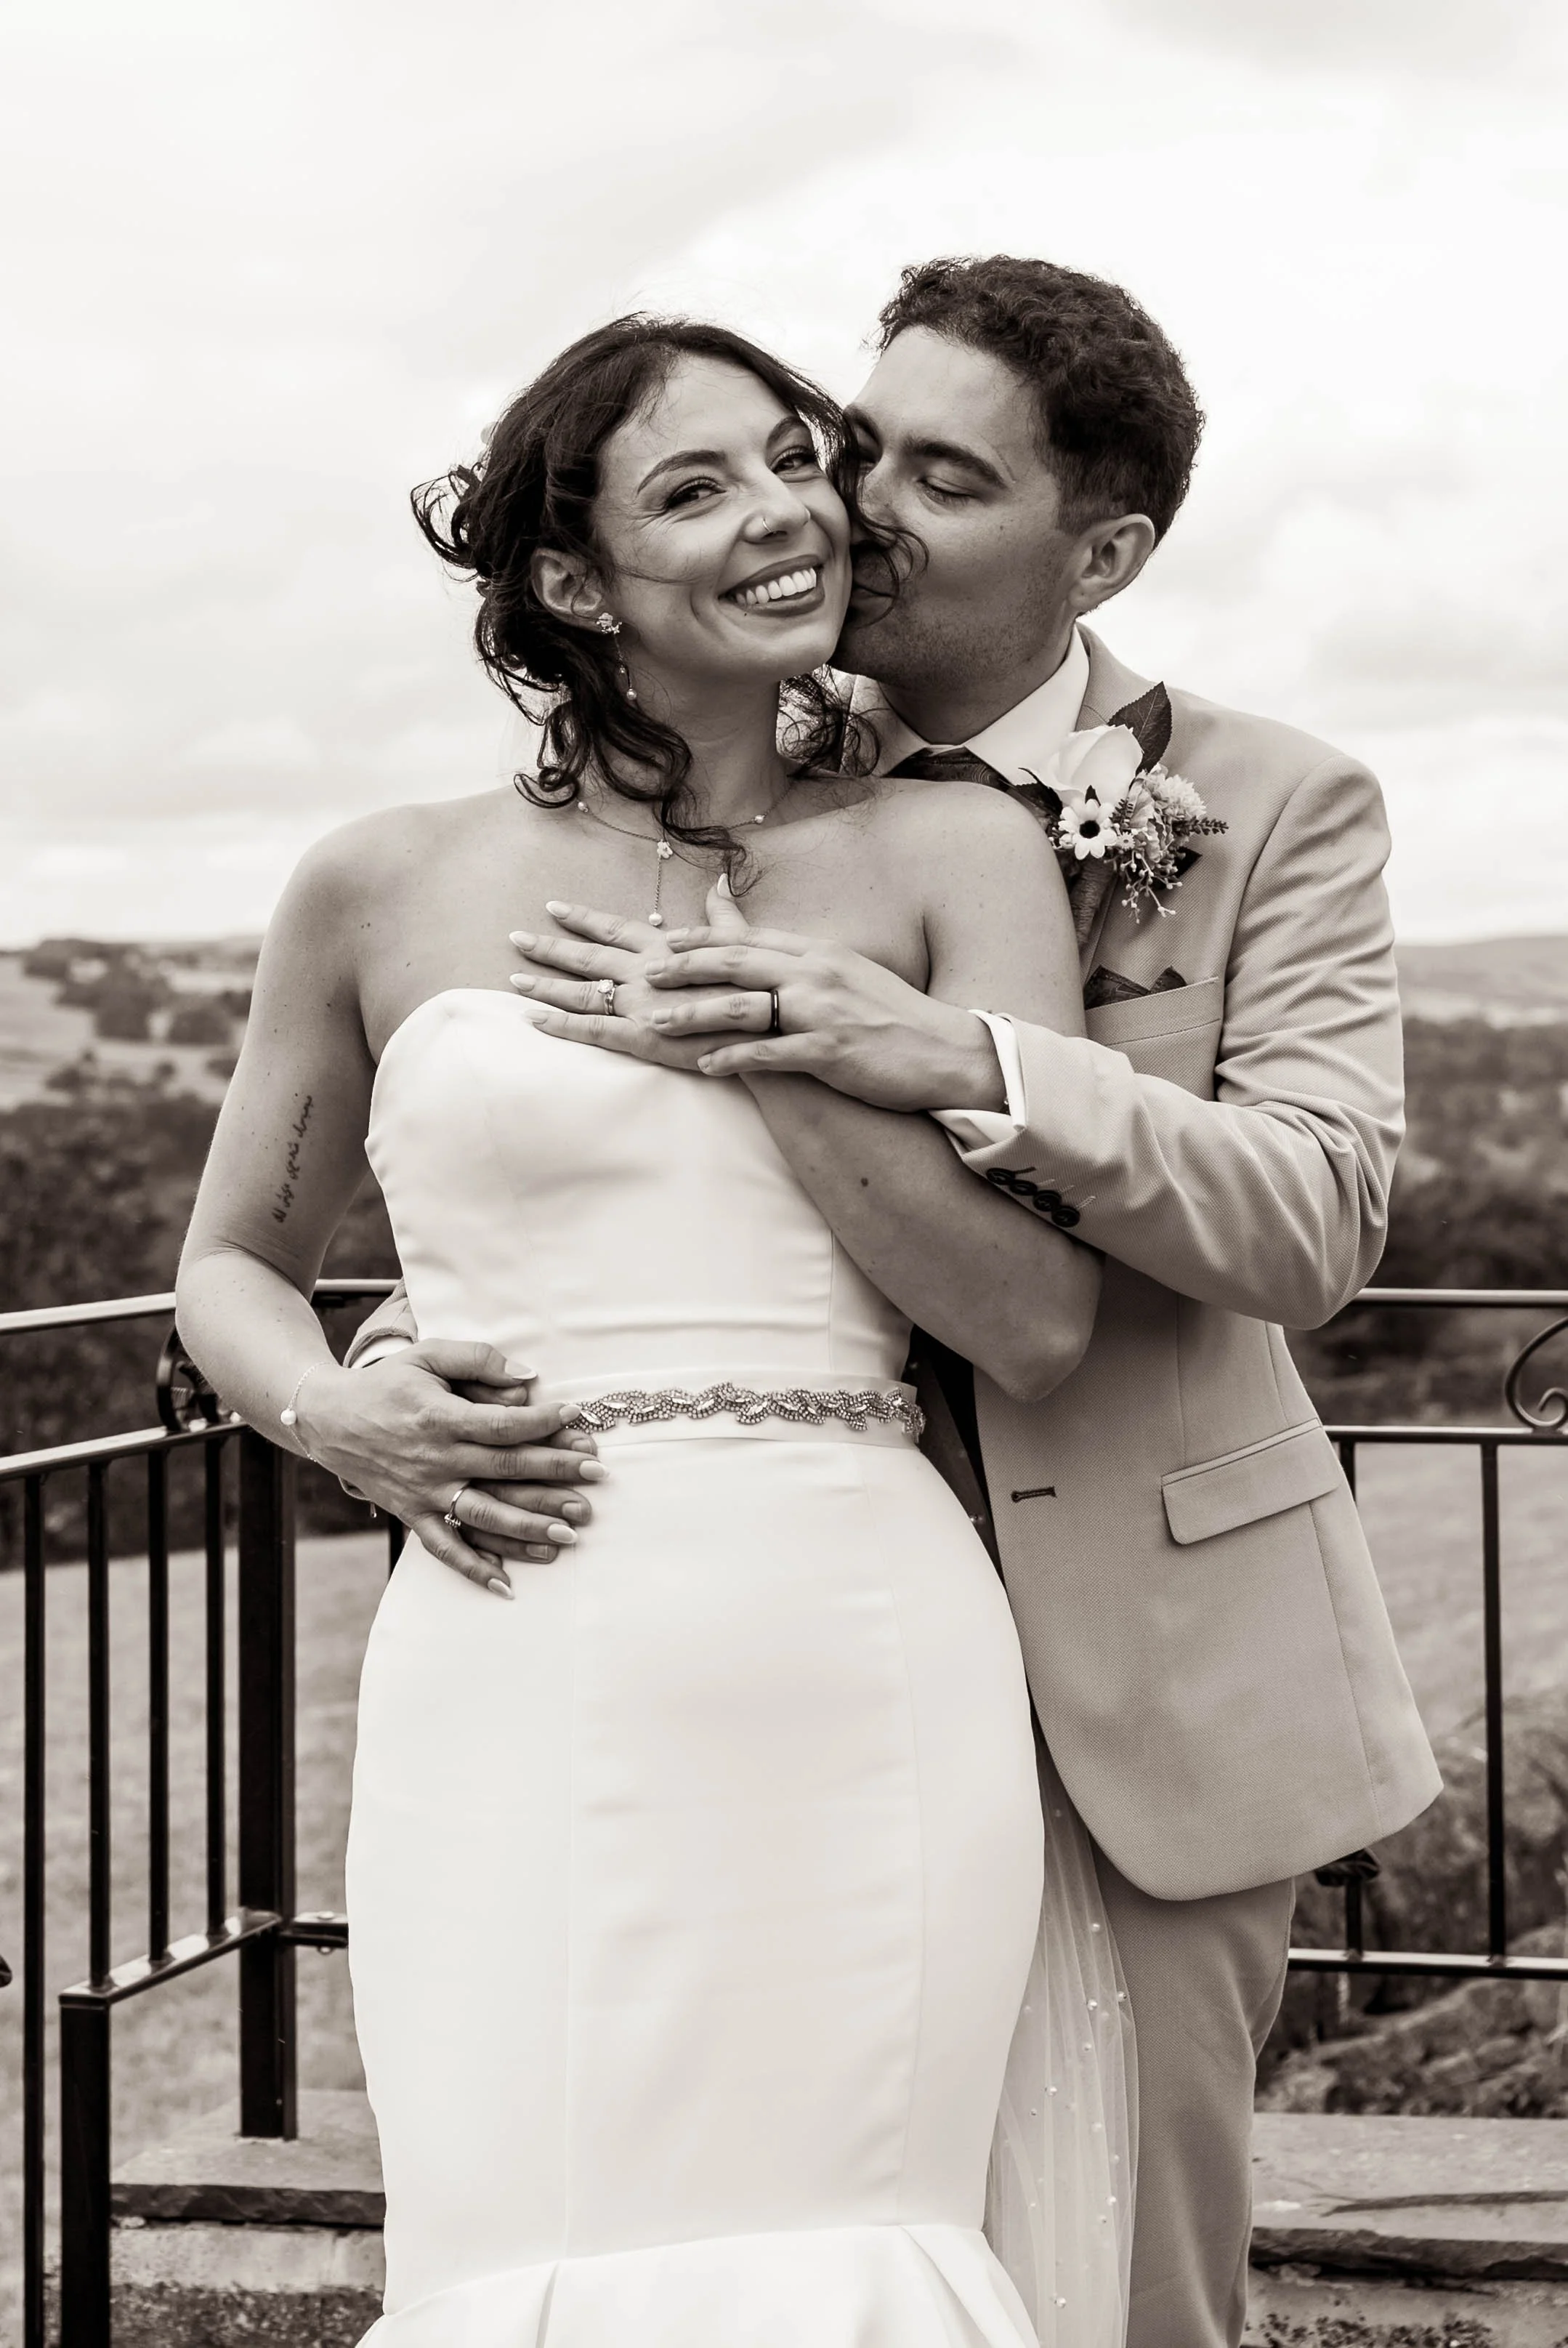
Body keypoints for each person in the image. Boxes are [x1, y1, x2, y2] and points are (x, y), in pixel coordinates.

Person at [457, 257, 1444, 2348]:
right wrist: (408, 1353)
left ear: (1099, 549)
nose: (853, 504)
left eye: (936, 469)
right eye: (847, 439)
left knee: (1122, 2272)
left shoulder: (1277, 799)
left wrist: (975, 1064)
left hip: (1138, 1665)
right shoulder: (717, 755)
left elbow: (1319, 1215)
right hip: (778, 1658)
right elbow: (566, 1148)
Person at [175, 315, 1135, 2347]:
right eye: (693, 489)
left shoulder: (955, 848)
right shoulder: (375, 883)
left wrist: (755, 1040)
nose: (784, 512)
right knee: (518, 2222)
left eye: (795, 458)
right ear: (569, 580)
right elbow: (230, 1273)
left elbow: (1040, 1318)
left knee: (840, 2225)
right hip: (512, 1646)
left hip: (848, 1651)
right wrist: (342, 1411)